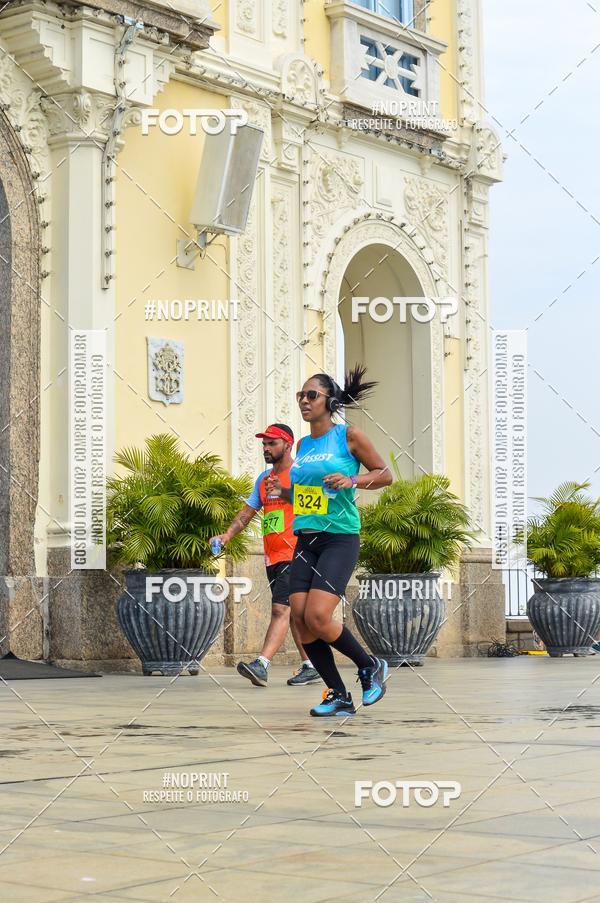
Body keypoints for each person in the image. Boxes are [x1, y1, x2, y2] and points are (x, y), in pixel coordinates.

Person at [265, 366, 392, 717]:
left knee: (319, 616)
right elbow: (310, 495)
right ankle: (338, 694)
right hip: (305, 539)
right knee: (302, 622)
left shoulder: (348, 436)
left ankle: (370, 666)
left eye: (311, 396)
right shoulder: (304, 445)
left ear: (329, 401)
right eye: (300, 397)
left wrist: (352, 479)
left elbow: (385, 475)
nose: (304, 402)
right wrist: (286, 492)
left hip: (339, 537)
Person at [210, 424, 320, 688]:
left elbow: (316, 505)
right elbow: (247, 513)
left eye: (272, 444)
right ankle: (311, 665)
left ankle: (262, 664)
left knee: (281, 608)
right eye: (264, 444)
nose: (266, 449)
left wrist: (285, 493)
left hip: (297, 552)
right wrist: (227, 535)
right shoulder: (263, 479)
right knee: (293, 613)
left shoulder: (300, 474)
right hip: (273, 556)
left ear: (287, 445)